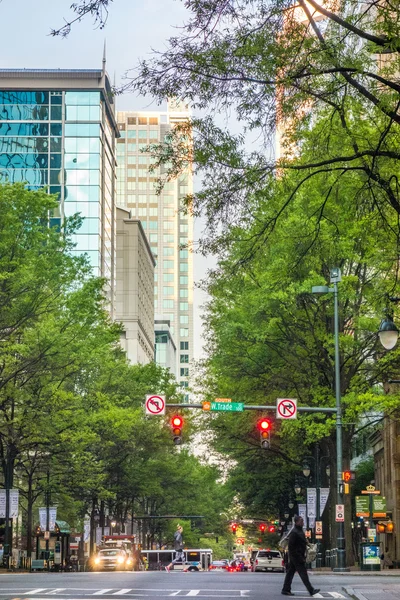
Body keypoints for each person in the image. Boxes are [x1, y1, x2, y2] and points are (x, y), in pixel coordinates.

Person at [281, 515, 320, 597]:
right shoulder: (295, 532)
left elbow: (301, 543)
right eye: (301, 521)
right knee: (303, 573)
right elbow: (291, 546)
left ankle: (285, 589)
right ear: (297, 522)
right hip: (297, 556)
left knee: (290, 573)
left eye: (302, 521)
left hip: (297, 556)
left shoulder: (299, 531)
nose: (303, 522)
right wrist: (298, 556)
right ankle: (311, 590)